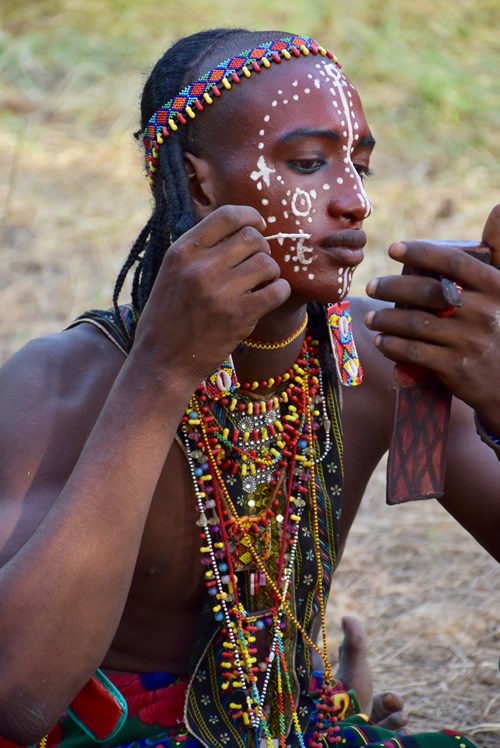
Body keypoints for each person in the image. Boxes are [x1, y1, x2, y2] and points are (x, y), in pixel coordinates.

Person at [0, 27, 498, 748]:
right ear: (200, 183)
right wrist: (160, 378)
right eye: (307, 163)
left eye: (360, 165)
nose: (354, 201)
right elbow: (18, 701)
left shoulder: (387, 362)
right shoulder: (57, 387)